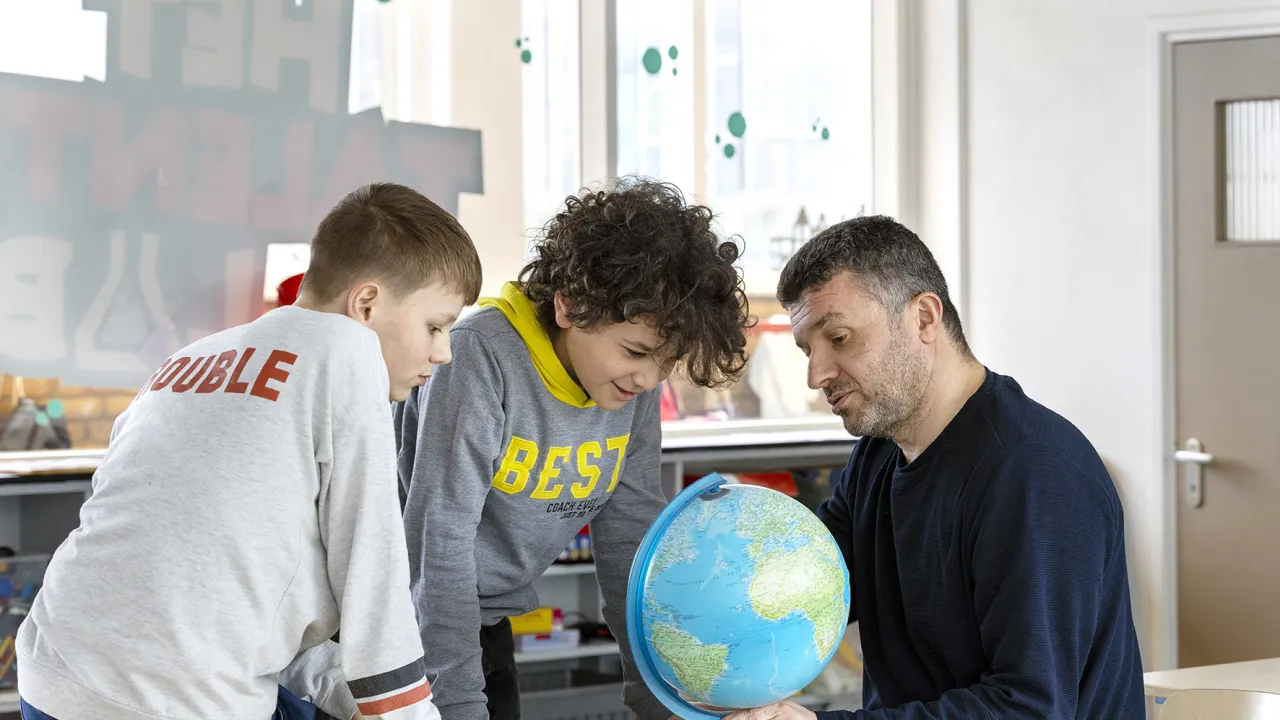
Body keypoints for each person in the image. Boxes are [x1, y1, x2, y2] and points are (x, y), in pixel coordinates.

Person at [16, 183, 481, 720]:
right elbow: (373, 577)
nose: (443, 353)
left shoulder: (189, 360)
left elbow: (227, 587)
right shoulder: (348, 349)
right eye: (436, 326)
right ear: (367, 303)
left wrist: (344, 694)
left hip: (54, 669)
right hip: (175, 701)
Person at [726, 216, 1145, 719]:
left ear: (924, 319)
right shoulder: (879, 452)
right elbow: (813, 589)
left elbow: (1030, 708)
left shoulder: (1033, 474)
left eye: (838, 337)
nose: (817, 374)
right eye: (806, 350)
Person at [395, 178, 752, 720]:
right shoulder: (478, 359)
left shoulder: (635, 385)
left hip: (485, 628)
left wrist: (652, 694)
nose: (648, 378)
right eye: (635, 351)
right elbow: (436, 549)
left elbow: (631, 544)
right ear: (569, 305)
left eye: (666, 362)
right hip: (399, 627)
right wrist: (461, 709)